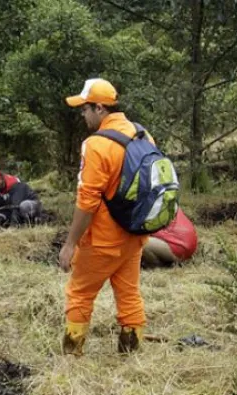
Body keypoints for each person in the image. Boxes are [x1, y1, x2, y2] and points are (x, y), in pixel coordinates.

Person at [58, 78, 152, 355]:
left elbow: (88, 200)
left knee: (79, 293)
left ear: (100, 108)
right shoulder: (142, 133)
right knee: (129, 293)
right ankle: (131, 354)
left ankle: (71, 357)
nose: (82, 115)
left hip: (102, 240)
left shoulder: (96, 144)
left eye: (85, 109)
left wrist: (70, 243)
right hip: (134, 233)